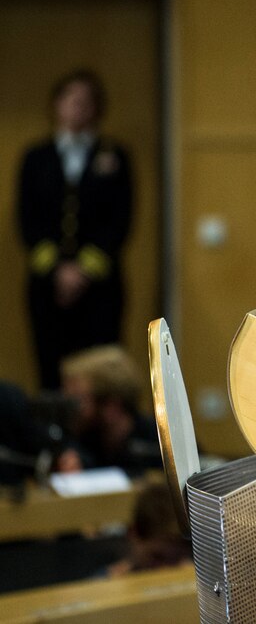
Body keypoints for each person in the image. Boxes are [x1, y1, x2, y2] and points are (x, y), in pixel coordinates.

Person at [17, 69, 133, 391]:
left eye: (87, 102)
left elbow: (120, 221)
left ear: (97, 109)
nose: (78, 108)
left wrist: (82, 270)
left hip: (98, 285)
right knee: (50, 366)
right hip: (47, 284)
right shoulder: (36, 157)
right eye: (71, 100)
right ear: (57, 105)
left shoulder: (115, 156)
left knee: (99, 371)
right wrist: (58, 270)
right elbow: (27, 221)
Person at [54, 345, 162, 476]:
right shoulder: (75, 443)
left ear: (112, 406)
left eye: (78, 400)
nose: (71, 410)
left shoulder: (158, 444)